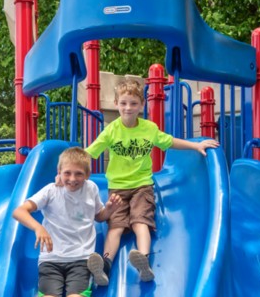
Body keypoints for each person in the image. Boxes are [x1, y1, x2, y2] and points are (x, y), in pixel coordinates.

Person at [85, 78, 219, 284]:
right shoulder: (111, 130)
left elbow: (169, 141)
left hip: (142, 186)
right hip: (117, 189)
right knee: (116, 228)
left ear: (141, 105)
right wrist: (65, 169)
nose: (128, 108)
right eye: (123, 103)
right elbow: (89, 153)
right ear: (116, 103)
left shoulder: (148, 128)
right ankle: (105, 265)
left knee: (141, 222)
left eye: (133, 103)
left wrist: (196, 145)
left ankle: (143, 261)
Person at [8, 147, 121, 297]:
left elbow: (99, 217)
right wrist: (38, 228)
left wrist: (109, 210)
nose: (72, 178)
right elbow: (19, 211)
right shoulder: (51, 190)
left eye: (78, 174)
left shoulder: (91, 190)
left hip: (82, 261)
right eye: (67, 173)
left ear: (88, 175)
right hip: (50, 260)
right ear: (58, 173)